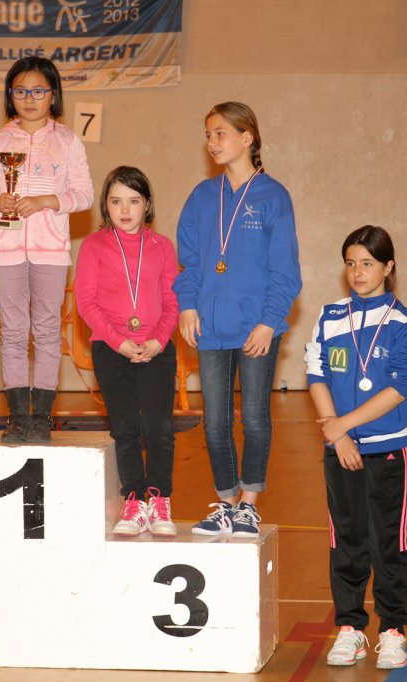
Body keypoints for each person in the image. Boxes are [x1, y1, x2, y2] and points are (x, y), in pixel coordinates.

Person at [174, 101, 302, 538]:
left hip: (256, 327)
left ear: (247, 138)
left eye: (221, 133)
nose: (212, 142)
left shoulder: (273, 196)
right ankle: (226, 503)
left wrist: (269, 321)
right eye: (208, 134)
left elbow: (285, 269)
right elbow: (190, 261)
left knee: (255, 418)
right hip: (210, 327)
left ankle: (249, 504)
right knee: (215, 423)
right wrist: (187, 305)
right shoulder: (201, 196)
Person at [305, 226, 407, 670]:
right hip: (340, 448)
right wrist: (338, 436)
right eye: (351, 263)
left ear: (388, 267)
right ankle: (350, 627)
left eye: (368, 263)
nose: (357, 272)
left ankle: (392, 630)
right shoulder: (330, 315)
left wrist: (344, 426)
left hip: (386, 448)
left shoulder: (402, 322)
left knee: (389, 541)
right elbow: (316, 374)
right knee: (347, 540)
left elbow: (398, 387)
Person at [0, 56, 93, 443]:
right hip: (5, 250)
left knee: (47, 331)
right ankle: (17, 416)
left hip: (51, 251)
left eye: (38, 91)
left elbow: (85, 195)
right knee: (12, 332)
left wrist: (46, 201)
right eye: (21, 91)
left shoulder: (68, 142)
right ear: (11, 96)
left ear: (53, 95)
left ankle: (42, 416)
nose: (29, 98)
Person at [74, 166, 179, 537]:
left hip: (157, 349)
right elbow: (86, 302)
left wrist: (158, 340)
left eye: (133, 201)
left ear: (147, 205)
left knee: (159, 427)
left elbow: (172, 300)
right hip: (111, 350)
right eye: (116, 201)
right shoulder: (93, 246)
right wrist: (118, 341)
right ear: (105, 204)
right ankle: (133, 500)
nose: (124, 209)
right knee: (126, 428)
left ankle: (159, 499)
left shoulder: (162, 246)